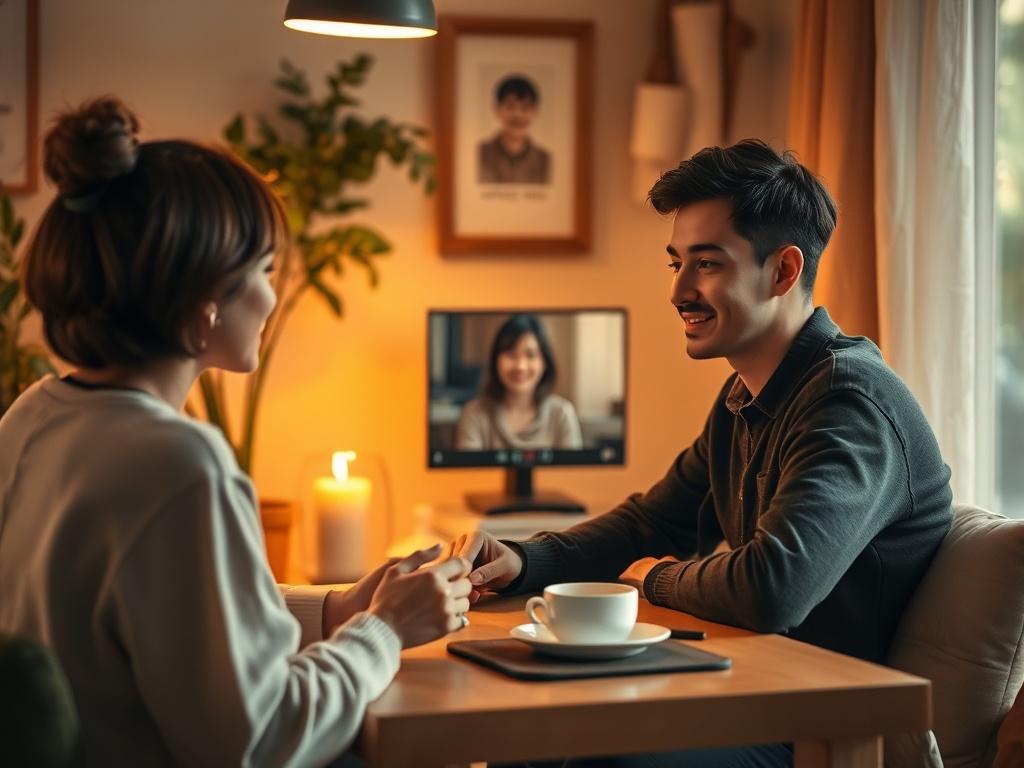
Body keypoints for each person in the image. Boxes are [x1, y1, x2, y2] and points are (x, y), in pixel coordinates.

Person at [0, 97, 472, 767]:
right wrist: (385, 631)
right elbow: (259, 740)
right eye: (264, 271)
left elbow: (176, 618)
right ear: (205, 298)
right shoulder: (178, 463)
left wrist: (337, 610)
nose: (272, 297)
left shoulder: (34, 416)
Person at [452, 141, 954, 767]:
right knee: (526, 730)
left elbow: (773, 588)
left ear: (783, 271)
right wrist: (524, 560)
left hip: (822, 728)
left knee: (579, 751)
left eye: (708, 264)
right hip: (750, 688)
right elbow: (653, 521)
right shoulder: (748, 395)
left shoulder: (849, 403)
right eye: (676, 264)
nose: (680, 292)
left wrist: (654, 580)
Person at [456, 313, 582, 451]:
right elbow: (468, 473)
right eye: (511, 354)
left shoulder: (562, 414)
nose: (520, 366)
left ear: (545, 362)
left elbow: (572, 473)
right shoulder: (474, 414)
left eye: (530, 355)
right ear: (495, 361)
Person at [478, 74, 551, 185]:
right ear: (496, 109)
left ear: (535, 111)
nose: (517, 115)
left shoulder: (545, 160)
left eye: (525, 107)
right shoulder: (480, 155)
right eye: (510, 106)